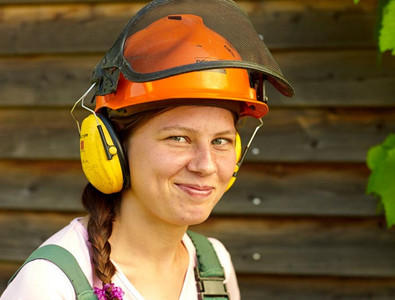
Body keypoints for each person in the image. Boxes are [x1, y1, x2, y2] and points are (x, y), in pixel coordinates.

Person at [1, 0, 293, 299]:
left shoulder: (213, 265)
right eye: (178, 138)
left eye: (221, 141)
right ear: (113, 147)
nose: (206, 166)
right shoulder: (49, 283)